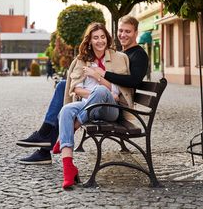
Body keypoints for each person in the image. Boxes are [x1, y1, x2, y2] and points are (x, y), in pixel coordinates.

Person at [16, 15, 148, 164]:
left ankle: (49, 141)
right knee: (62, 86)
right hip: (100, 97)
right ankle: (45, 134)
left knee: (92, 93)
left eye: (128, 32)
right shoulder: (118, 52)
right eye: (121, 31)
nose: (123, 35)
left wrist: (100, 74)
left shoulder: (137, 55)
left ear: (136, 33)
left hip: (114, 104)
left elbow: (133, 82)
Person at [56, 22, 133, 189]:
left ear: (107, 38)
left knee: (100, 90)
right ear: (89, 41)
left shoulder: (119, 58)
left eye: (103, 37)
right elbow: (75, 88)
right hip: (88, 106)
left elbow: (118, 91)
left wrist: (97, 76)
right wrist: (96, 96)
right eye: (95, 37)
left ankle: (73, 127)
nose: (100, 41)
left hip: (111, 110)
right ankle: (68, 168)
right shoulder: (82, 60)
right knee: (66, 110)